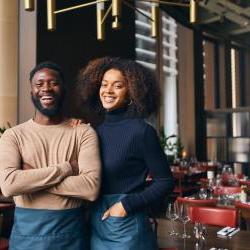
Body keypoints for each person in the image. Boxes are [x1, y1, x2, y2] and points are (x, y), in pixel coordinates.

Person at [0, 61, 101, 250]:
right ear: (31, 92)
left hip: (71, 235)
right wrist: (68, 168)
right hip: (26, 237)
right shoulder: (13, 135)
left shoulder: (83, 132)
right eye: (39, 84)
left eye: (53, 83)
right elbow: (9, 185)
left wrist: (32, 179)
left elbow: (90, 188)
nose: (46, 88)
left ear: (63, 89)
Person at [76, 57, 174, 250]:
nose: (108, 91)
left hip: (127, 227)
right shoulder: (95, 131)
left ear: (132, 92)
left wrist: (125, 206)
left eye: (117, 86)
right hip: (96, 225)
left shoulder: (142, 131)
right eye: (104, 85)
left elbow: (165, 181)